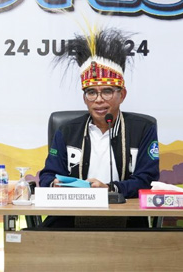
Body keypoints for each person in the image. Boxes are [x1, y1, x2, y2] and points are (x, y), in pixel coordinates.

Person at [39, 27, 159, 227]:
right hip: (70, 216)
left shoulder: (142, 129)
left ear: (122, 95)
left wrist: (109, 189)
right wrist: (55, 184)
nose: (99, 100)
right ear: (84, 98)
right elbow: (47, 175)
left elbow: (147, 180)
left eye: (107, 92)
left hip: (125, 215)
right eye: (91, 92)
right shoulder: (67, 130)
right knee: (28, 239)